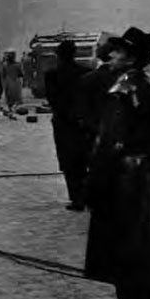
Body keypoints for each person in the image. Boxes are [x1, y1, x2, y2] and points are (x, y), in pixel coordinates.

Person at [84, 27, 150, 299]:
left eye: (119, 51)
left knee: (125, 246)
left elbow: (109, 142)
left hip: (126, 180)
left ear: (131, 58)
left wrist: (94, 185)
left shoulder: (121, 91)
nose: (111, 55)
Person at [44, 40, 90, 211]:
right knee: (84, 158)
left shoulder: (52, 75)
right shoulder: (86, 73)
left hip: (63, 122)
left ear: (58, 55)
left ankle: (77, 198)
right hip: (83, 123)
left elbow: (51, 99)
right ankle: (89, 195)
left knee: (68, 161)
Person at [1, 51, 24, 118]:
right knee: (16, 97)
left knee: (9, 96)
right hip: (15, 82)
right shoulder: (17, 65)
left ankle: (10, 109)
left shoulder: (4, 65)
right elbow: (21, 74)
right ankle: (13, 109)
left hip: (7, 81)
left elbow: (3, 74)